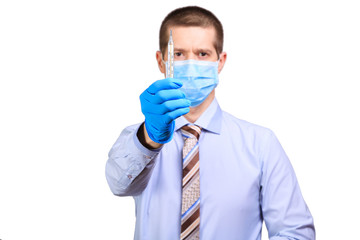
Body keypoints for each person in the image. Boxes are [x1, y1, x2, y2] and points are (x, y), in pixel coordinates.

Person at [105, 6, 315, 240]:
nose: (191, 64)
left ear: (220, 61)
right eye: (179, 54)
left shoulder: (261, 144)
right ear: (161, 60)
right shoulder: (139, 140)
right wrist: (150, 138)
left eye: (203, 54)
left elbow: (295, 232)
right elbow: (118, 184)